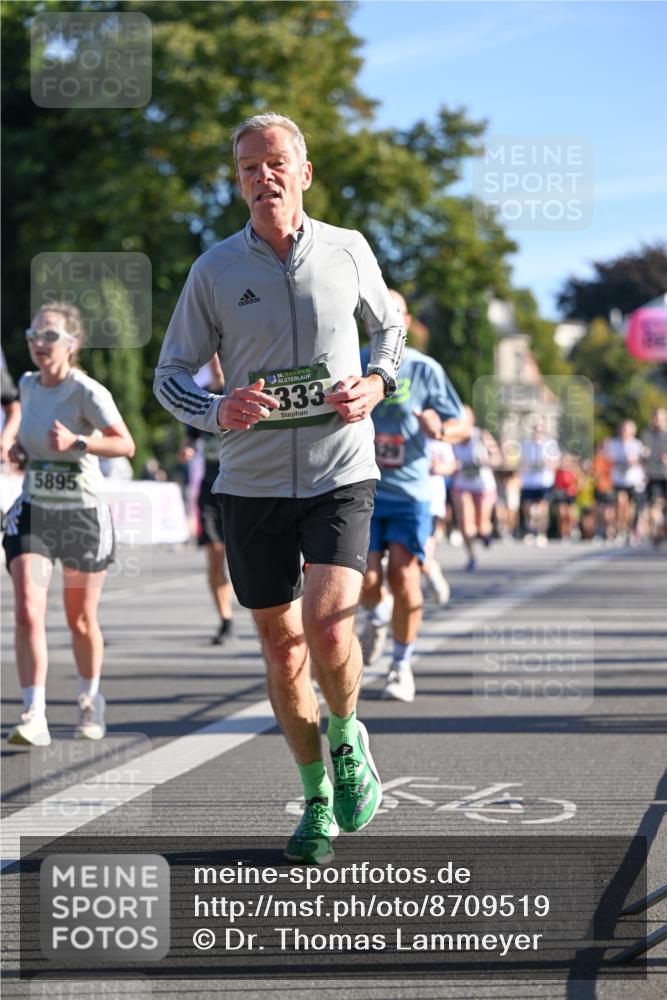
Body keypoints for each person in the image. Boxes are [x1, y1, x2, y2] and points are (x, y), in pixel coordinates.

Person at [154, 113, 405, 864]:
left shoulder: (347, 249)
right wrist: (214, 407)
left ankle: (347, 734)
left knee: (329, 626)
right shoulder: (215, 270)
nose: (258, 178)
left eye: (271, 164)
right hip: (252, 482)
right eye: (244, 168)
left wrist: (377, 381)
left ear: (302, 172)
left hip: (338, 470)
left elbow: (388, 329)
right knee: (280, 647)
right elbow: (171, 374)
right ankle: (314, 798)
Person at [3, 302, 135, 746]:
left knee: (79, 619)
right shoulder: (25, 385)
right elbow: (31, 442)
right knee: (26, 608)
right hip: (36, 510)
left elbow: (126, 444)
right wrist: (23, 453)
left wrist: (80, 440)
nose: (40, 344)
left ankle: (88, 699)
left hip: (82, 515)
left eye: (50, 337)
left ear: (72, 344)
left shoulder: (87, 391)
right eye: (33, 335)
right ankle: (33, 712)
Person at [359, 290, 468, 702]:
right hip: (362, 488)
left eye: (394, 314)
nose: (385, 322)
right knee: (365, 581)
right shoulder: (348, 361)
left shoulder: (425, 370)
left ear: (405, 322)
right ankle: (378, 613)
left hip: (409, 492)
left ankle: (401, 665)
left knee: (403, 575)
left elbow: (462, 423)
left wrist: (439, 429)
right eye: (376, 315)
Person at [177, 354, 234, 644]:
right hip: (211, 489)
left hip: (241, 486)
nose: (217, 362)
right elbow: (190, 437)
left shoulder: (244, 388)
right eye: (213, 358)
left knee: (244, 559)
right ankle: (225, 618)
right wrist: (186, 449)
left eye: (221, 356)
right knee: (214, 557)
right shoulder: (202, 395)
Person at [451, 405, 502, 570]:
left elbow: (497, 457)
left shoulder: (480, 435)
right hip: (462, 484)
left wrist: (486, 461)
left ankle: (486, 533)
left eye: (466, 419)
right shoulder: (452, 439)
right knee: (466, 522)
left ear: (471, 421)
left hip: (483, 485)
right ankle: (471, 556)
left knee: (482, 525)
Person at [422, 435, 456, 604]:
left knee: (422, 555)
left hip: (431, 504)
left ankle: (433, 574)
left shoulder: (437, 438)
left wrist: (437, 467)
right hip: (400, 500)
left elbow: (451, 465)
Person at [519, 419, 560, 545]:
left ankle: (542, 533)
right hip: (529, 481)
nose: (538, 432)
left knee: (543, 508)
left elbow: (556, 462)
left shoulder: (550, 444)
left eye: (540, 430)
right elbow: (520, 462)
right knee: (527, 508)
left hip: (544, 481)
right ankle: (530, 529)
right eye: (536, 430)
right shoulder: (526, 444)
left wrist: (547, 461)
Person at [604, 420, 645, 543]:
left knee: (631, 507)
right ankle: (621, 528)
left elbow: (643, 461)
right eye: (622, 429)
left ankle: (631, 529)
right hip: (618, 479)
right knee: (620, 503)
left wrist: (635, 461)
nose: (624, 432)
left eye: (627, 430)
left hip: (633, 479)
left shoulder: (637, 444)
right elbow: (606, 459)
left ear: (633, 431)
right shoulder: (613, 443)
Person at [641, 407, 667, 545]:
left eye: (660, 417)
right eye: (655, 417)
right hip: (654, 475)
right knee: (654, 504)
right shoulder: (647, 435)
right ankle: (657, 531)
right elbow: (643, 453)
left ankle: (661, 528)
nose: (657, 420)